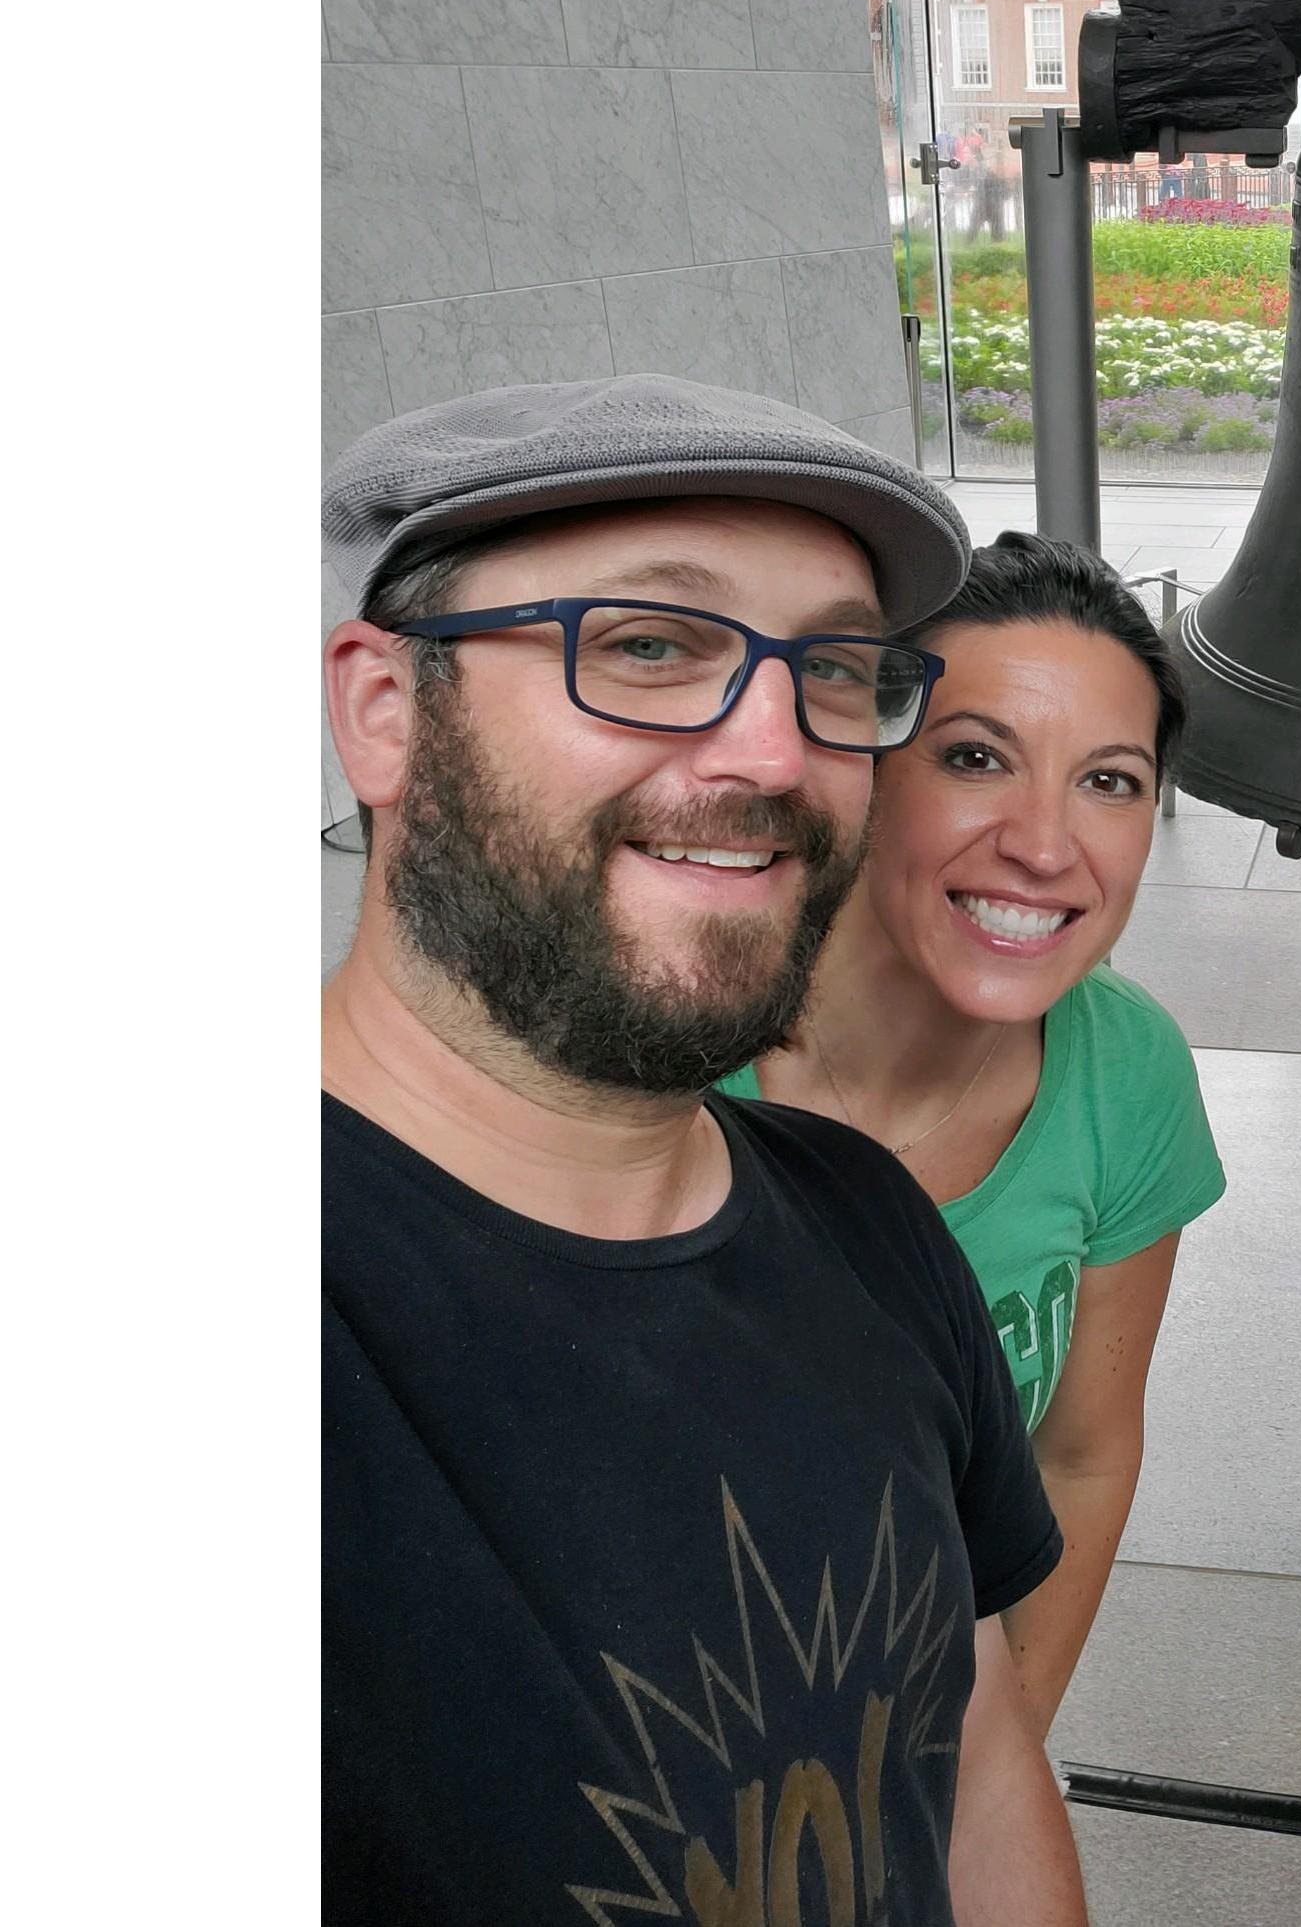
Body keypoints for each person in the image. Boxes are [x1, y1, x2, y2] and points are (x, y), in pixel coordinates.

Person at [321, 376, 1089, 1927]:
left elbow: (978, 1750)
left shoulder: (863, 1218)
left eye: (834, 670)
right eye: (650, 646)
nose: (769, 753)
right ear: (384, 713)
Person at [722, 531, 1225, 1732]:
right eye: (975, 756)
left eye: (1108, 779)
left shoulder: (1124, 1069)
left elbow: (1082, 1459)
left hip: (922, 1712)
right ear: (866, 766)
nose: (1045, 844)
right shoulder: (675, 1048)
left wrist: (988, 1764)